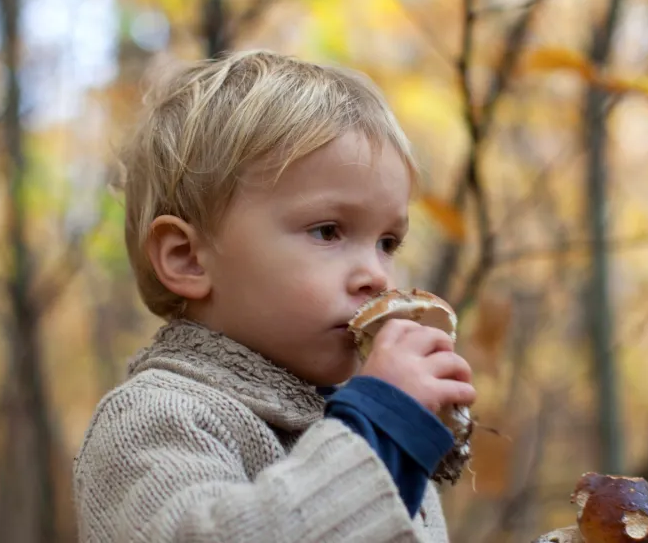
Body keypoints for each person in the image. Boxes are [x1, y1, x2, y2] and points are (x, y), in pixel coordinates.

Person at [73, 50, 477, 542]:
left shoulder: (360, 426)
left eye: (387, 243)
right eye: (328, 231)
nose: (376, 275)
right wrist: (381, 431)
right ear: (187, 258)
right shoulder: (156, 417)